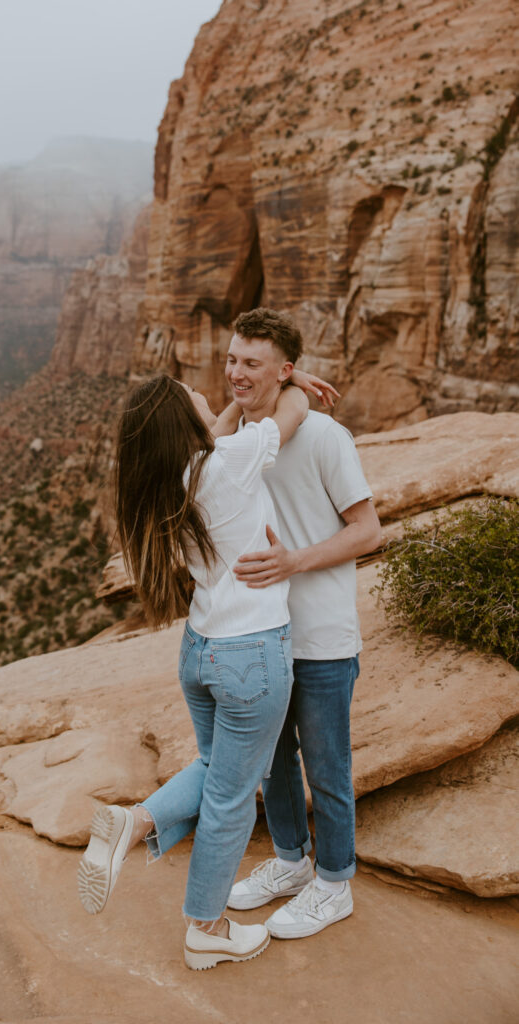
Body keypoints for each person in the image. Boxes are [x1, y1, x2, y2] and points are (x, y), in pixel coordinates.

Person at [77, 370, 330, 970]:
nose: (203, 392)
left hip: (202, 650)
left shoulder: (174, 477)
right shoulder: (232, 462)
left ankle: (134, 823)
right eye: (190, 391)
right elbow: (289, 412)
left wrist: (224, 412)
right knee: (233, 799)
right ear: (181, 417)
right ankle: (206, 928)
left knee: (218, 769)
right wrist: (288, 376)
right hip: (251, 655)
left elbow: (212, 433)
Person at [222, 307, 382, 938]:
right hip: (260, 634)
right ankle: (291, 863)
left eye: (251, 363)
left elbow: (367, 530)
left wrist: (293, 562)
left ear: (282, 371)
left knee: (326, 764)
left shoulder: (323, 438)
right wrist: (276, 384)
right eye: (232, 359)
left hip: (320, 637)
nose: (236, 372)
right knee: (272, 762)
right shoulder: (238, 437)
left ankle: (334, 883)